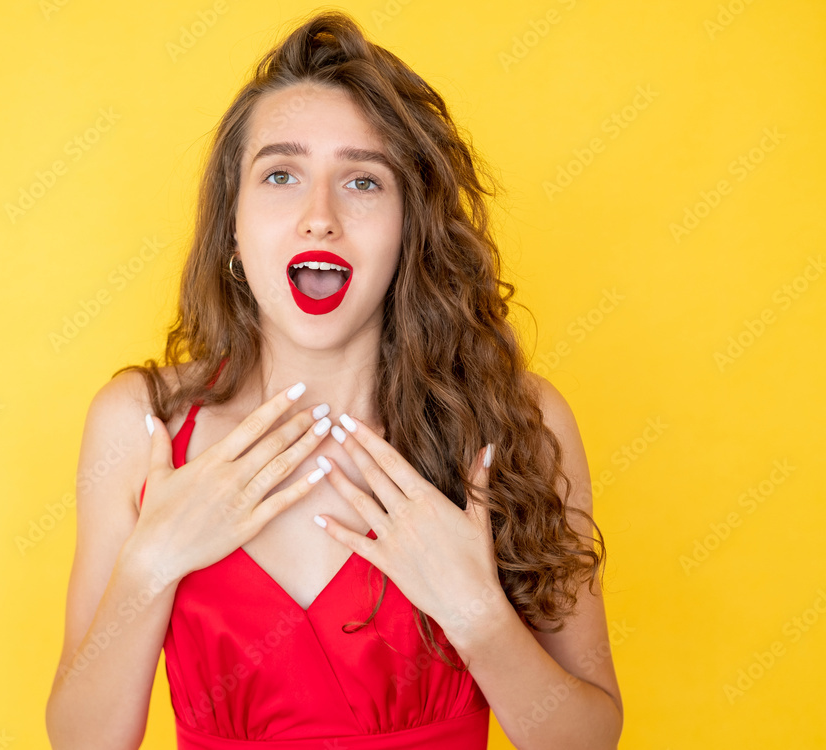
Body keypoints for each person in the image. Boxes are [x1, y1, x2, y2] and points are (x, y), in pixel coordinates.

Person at [45, 9, 622, 749]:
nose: (320, 218)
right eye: (281, 174)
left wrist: (479, 617)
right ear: (232, 223)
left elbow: (589, 739)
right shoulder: (141, 427)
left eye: (363, 181)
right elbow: (82, 742)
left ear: (411, 225)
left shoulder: (516, 424)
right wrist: (150, 566)